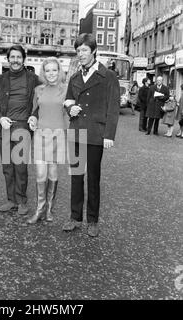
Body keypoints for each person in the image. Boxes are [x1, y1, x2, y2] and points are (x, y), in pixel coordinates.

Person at [62, 33, 120, 237]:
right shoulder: (75, 77)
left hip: (96, 133)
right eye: (78, 51)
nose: (81, 54)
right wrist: (71, 110)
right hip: (76, 132)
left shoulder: (109, 76)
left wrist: (109, 134)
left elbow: (113, 107)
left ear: (94, 51)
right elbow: (68, 100)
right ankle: (75, 217)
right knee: (76, 176)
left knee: (93, 178)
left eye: (84, 50)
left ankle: (92, 220)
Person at [0, 45, 40, 216]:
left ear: (24, 59)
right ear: (8, 59)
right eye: (12, 57)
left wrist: (35, 116)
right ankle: (11, 200)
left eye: (19, 57)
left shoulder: (34, 79)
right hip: (5, 127)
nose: (15, 60)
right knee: (7, 166)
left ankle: (22, 200)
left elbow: (43, 101)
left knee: (21, 167)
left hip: (23, 127)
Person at [26, 57, 68, 224]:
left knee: (52, 172)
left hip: (58, 134)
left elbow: (69, 112)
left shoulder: (66, 90)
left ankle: (49, 208)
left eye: (54, 70)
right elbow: (35, 111)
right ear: (43, 72)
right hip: (41, 134)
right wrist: (32, 119)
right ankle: (39, 209)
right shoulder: (38, 90)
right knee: (40, 173)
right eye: (47, 70)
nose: (51, 73)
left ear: (59, 72)